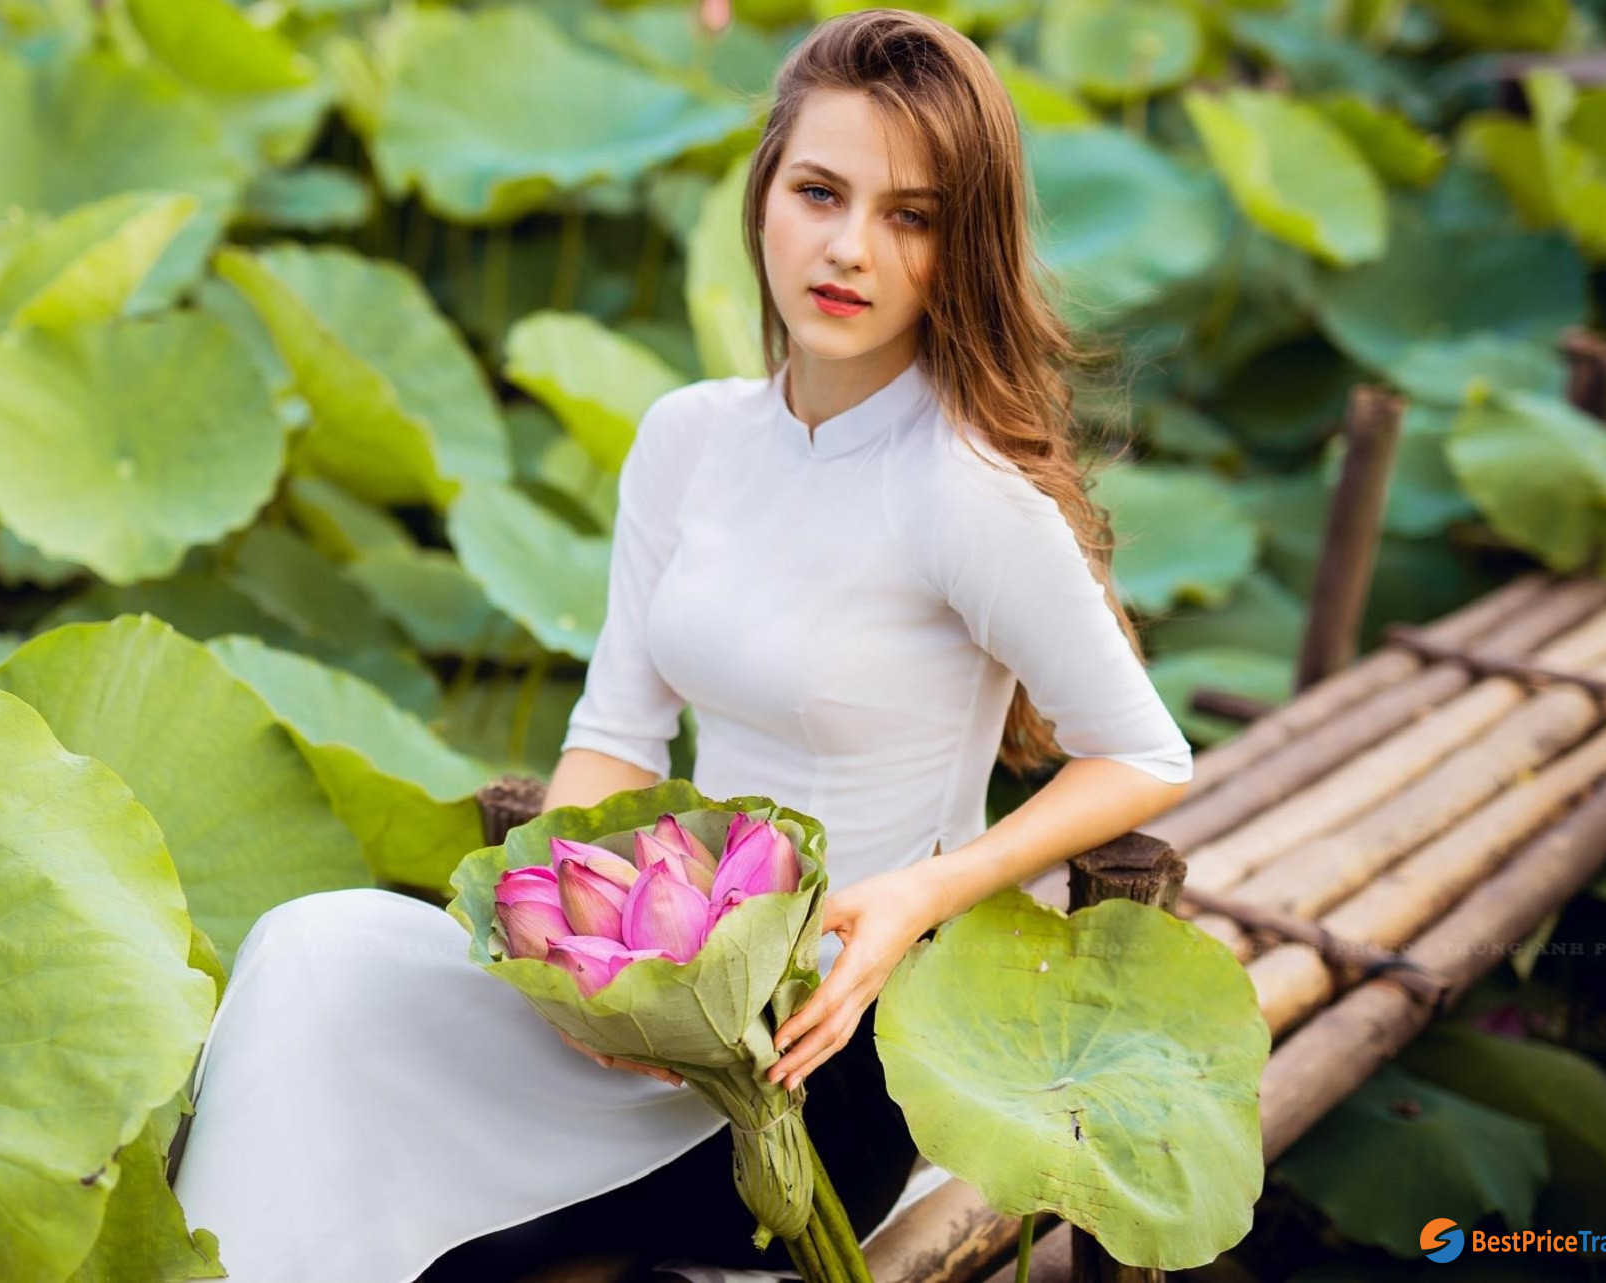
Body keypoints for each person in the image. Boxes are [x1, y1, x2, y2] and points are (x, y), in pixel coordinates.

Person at [168, 10, 1195, 1283]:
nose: (847, 247)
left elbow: (1145, 755)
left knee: (426, 1190)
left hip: (812, 1058)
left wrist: (921, 896)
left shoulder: (964, 495)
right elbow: (611, 738)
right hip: (647, 993)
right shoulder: (688, 440)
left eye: (910, 217)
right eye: (819, 191)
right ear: (764, 191)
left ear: (959, 249)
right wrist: (573, 972)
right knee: (307, 955)